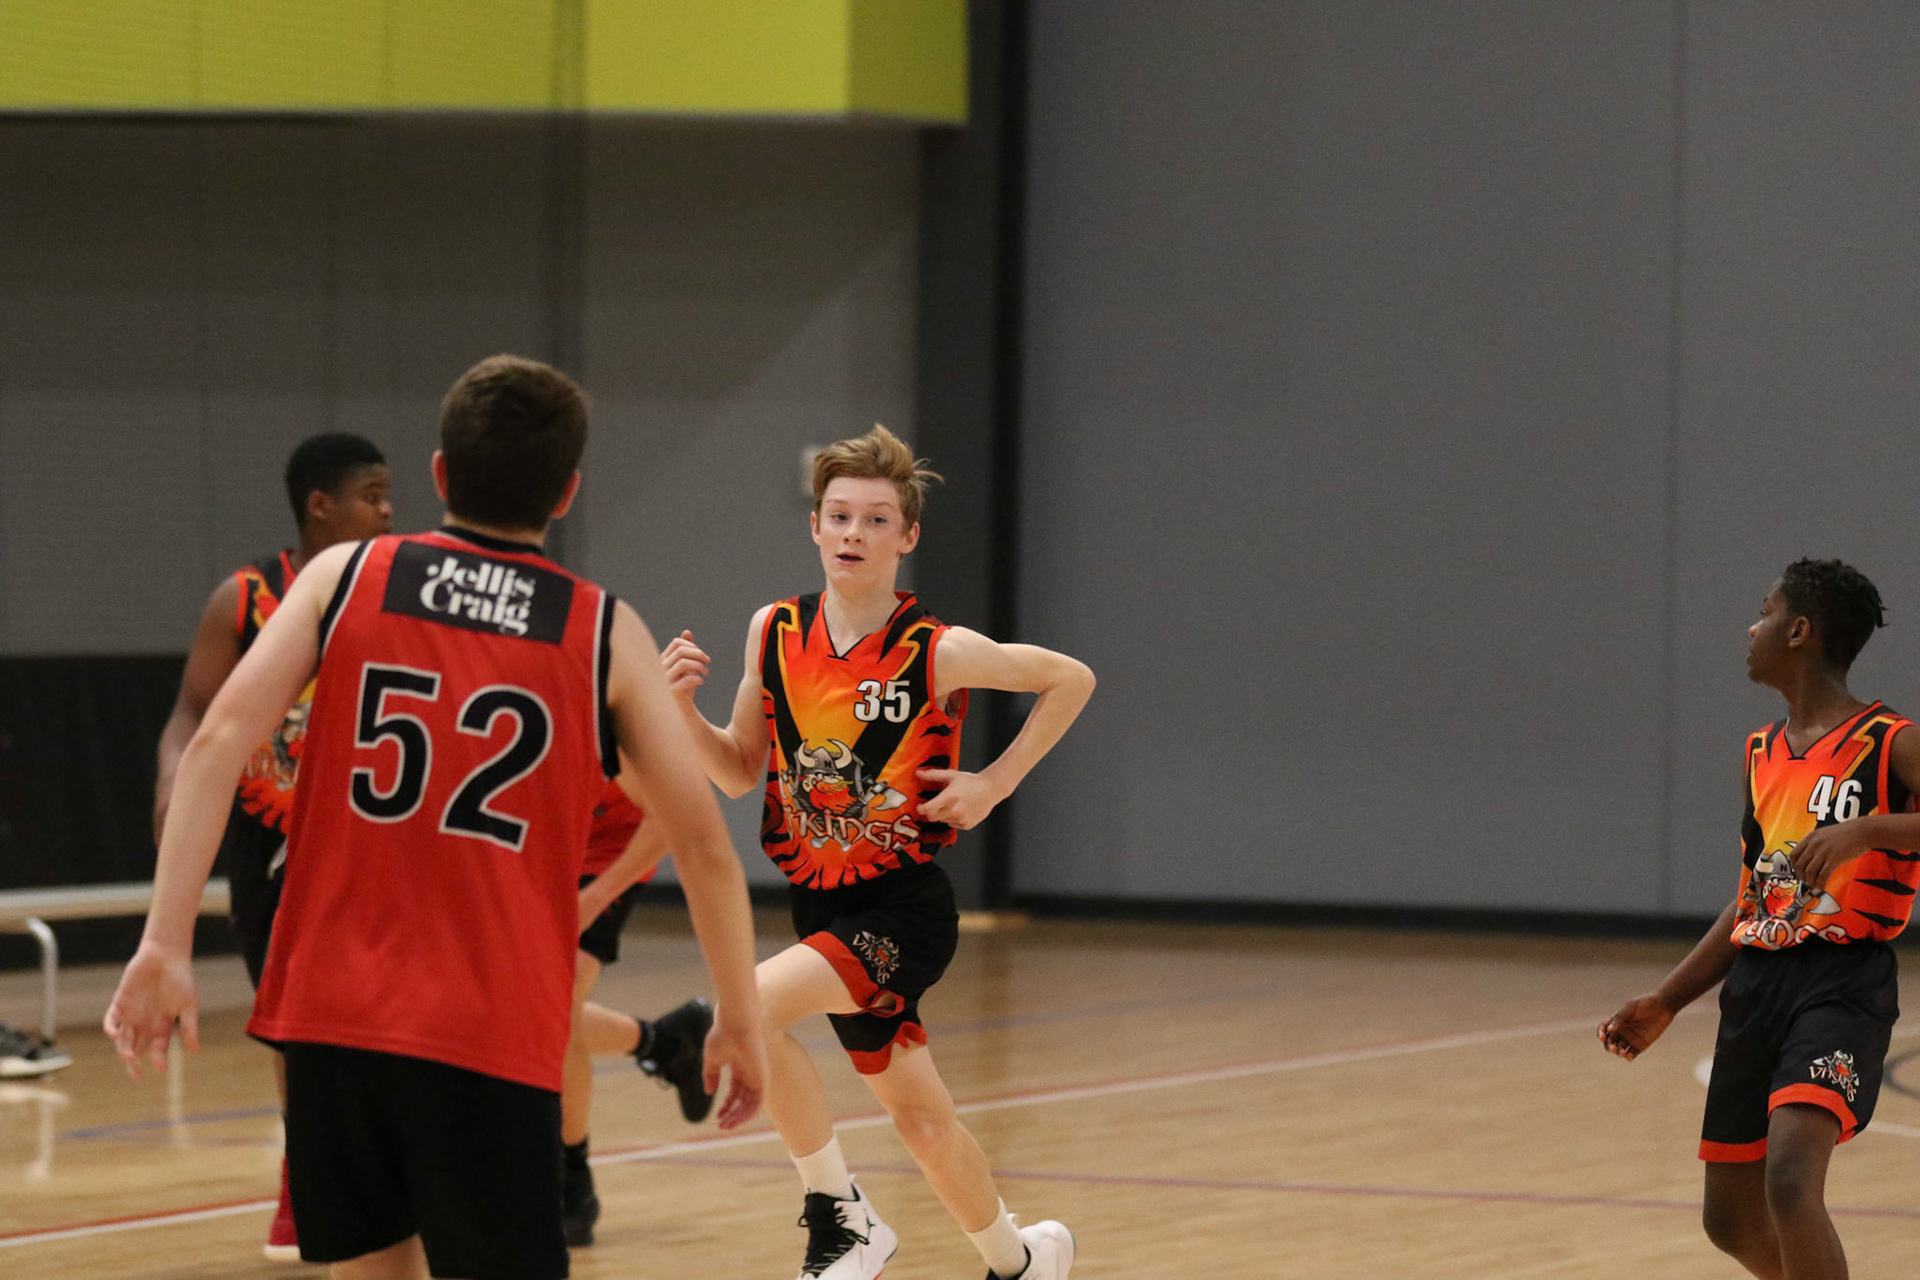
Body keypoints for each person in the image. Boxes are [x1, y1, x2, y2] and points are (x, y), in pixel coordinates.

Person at [107, 354, 766, 1280]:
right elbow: (702, 846)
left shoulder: (343, 575)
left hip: (331, 1016)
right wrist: (738, 1017)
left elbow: (214, 743)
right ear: (567, 493)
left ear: (441, 473)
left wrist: (164, 941)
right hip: (489, 1023)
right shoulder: (602, 628)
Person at [662, 425, 1095, 1280]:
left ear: (907, 536)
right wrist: (682, 712)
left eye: (875, 519)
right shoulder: (773, 631)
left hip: (903, 908)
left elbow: (1069, 678)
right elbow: (741, 770)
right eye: (839, 515)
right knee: (923, 1125)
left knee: (751, 1007)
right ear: (814, 527)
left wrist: (994, 782)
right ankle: (1021, 1260)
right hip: (822, 905)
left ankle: (843, 1218)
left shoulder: (937, 649)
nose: (853, 533)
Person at [1600, 558, 1919, 1280]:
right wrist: (1667, 999)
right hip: (1756, 988)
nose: (1751, 628)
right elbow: (1754, 897)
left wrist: (1867, 830)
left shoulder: (1890, 740)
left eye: (1765, 611)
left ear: (1800, 630)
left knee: (1790, 1180)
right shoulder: (1762, 752)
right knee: (1728, 1219)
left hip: (1841, 987)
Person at [153, 431, 392, 1261]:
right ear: (320, 505)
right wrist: (172, 777)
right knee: (291, 1018)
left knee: (374, 1012)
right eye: (371, 495)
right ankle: (305, 1173)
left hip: (367, 831)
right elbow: (191, 712)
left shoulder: (392, 588)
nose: (387, 510)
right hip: (269, 834)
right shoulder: (246, 598)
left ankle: (375, 1172)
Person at [560, 770, 717, 1247]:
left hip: (607, 855)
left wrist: (597, 894)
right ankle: (665, 1042)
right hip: (537, 849)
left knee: (559, 999)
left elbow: (670, 819)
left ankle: (570, 1179)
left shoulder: (619, 730)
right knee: (508, 1009)